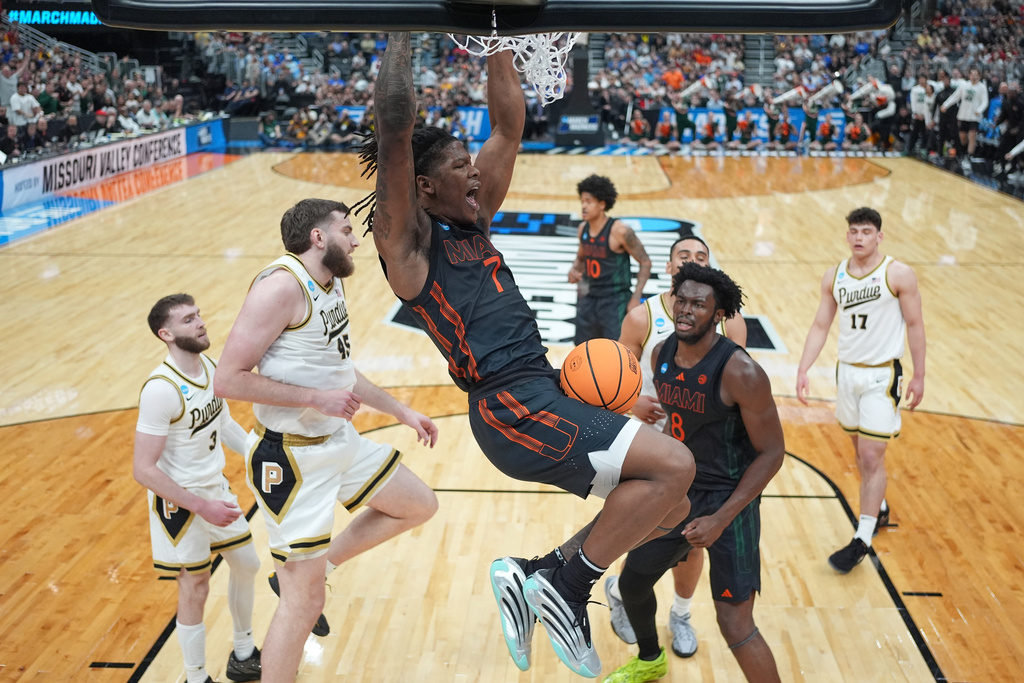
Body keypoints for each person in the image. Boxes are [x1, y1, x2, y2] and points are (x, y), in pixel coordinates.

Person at [364, 33, 695, 679]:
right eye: (462, 165)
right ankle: (569, 592)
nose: (477, 172)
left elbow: (509, 127)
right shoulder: (407, 247)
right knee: (677, 464)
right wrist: (402, 28)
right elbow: (395, 130)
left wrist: (496, 39)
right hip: (507, 404)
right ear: (424, 186)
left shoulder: (472, 218)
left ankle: (539, 572)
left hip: (541, 386)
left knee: (673, 508)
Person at [213, 198, 440, 683]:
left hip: (338, 441)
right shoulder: (280, 287)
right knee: (304, 603)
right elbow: (228, 379)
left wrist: (400, 411)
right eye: (346, 229)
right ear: (318, 238)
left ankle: (316, 568)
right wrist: (316, 399)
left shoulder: (330, 283)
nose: (356, 239)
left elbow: (339, 372)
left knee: (419, 503)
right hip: (290, 461)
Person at [603, 263, 784, 683]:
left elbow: (773, 452)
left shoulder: (742, 372)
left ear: (718, 313)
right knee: (633, 582)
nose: (685, 310)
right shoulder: (661, 354)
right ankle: (651, 659)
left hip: (729, 500)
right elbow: (676, 425)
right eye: (680, 300)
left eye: (698, 304)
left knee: (734, 625)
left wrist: (722, 518)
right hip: (679, 492)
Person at [610, 235, 747, 661]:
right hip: (650, 446)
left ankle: (681, 614)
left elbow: (739, 395)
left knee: (690, 543)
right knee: (638, 533)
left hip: (703, 452)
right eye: (684, 256)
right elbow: (616, 378)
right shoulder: (641, 318)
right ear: (670, 266)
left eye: (701, 256)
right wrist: (634, 401)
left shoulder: (729, 321)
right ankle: (620, 590)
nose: (692, 261)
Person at [133, 294, 263, 683]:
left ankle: (243, 653)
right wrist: (200, 507)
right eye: (189, 320)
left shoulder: (207, 365)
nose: (201, 322)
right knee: (196, 585)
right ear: (166, 333)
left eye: (199, 315)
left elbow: (223, 426)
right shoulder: (161, 390)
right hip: (179, 501)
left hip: (214, 491)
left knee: (247, 563)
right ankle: (195, 677)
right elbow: (143, 469)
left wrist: (261, 453)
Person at [796, 207, 926, 573]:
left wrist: (919, 375)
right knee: (861, 453)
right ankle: (878, 506)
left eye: (866, 232)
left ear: (879, 236)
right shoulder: (834, 275)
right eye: (853, 231)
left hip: (882, 376)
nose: (858, 238)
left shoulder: (897, 274)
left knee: (870, 458)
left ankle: (862, 537)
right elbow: (821, 324)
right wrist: (804, 367)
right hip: (847, 374)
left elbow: (915, 325)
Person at [569, 174, 653, 346]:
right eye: (582, 201)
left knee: (616, 350)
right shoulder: (582, 229)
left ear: (602, 204)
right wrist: (574, 270)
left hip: (615, 300)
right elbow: (580, 258)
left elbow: (645, 262)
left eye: (589, 201)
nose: (583, 206)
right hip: (588, 298)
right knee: (584, 348)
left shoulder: (619, 231)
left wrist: (636, 298)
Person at [941, 68, 988, 172]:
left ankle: (969, 157)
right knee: (962, 138)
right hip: (963, 116)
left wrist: (979, 110)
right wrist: (945, 105)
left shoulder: (982, 87)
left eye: (976, 75)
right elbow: (955, 97)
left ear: (979, 76)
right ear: (969, 75)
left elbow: (985, 102)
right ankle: (963, 154)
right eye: (972, 74)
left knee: (972, 136)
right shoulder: (964, 86)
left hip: (974, 117)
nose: (974, 77)